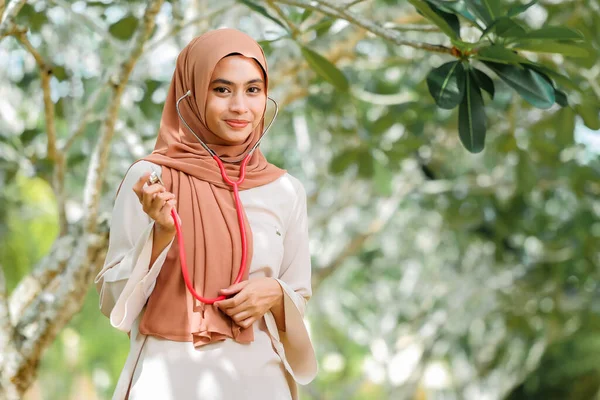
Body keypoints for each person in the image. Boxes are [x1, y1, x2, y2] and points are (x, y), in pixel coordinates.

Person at [95, 28, 317, 400]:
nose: (240, 107)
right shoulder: (151, 178)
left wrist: (275, 295)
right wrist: (161, 234)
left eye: (253, 90)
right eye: (221, 89)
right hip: (168, 382)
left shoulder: (285, 190)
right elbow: (112, 302)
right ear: (191, 93)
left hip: (261, 383)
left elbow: (298, 294)